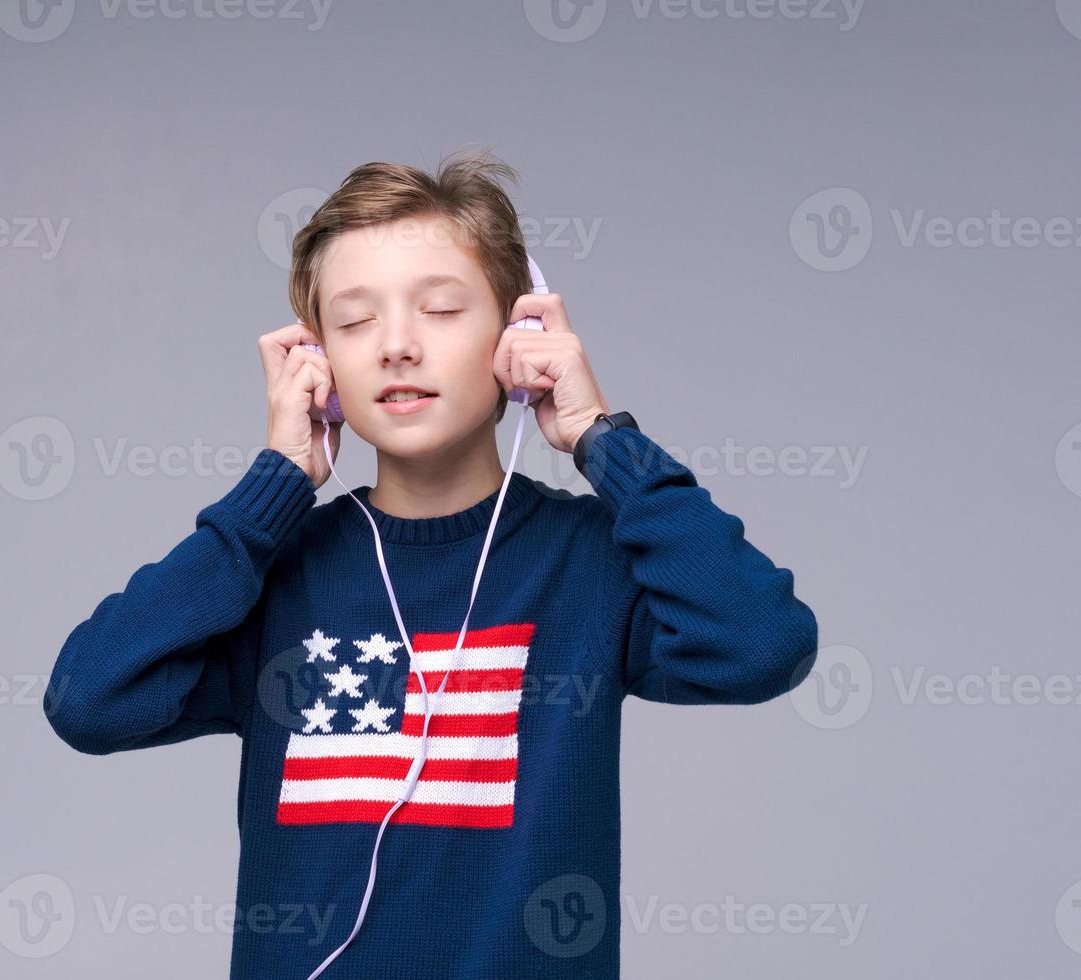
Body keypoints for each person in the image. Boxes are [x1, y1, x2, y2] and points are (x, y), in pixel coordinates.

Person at [42, 150, 820, 979]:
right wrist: (272, 487)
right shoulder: (274, 576)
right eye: (354, 322)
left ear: (519, 337)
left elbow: (764, 643)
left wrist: (601, 437)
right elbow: (89, 700)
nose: (397, 347)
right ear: (318, 361)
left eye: (441, 309)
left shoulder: (591, 561)